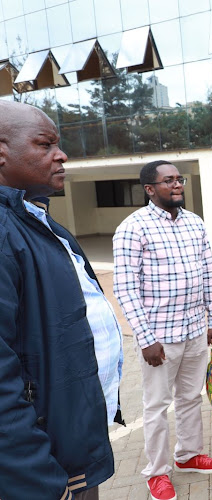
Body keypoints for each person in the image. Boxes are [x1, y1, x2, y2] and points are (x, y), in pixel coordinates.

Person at [0, 101, 122, 500]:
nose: (62, 154)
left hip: (72, 453)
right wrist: (43, 483)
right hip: (46, 474)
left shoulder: (36, 221)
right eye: (44, 144)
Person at [113, 160, 212, 500]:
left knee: (191, 397)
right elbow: (125, 288)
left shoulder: (194, 223)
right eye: (168, 181)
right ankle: (157, 473)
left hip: (194, 331)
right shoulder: (134, 228)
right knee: (157, 406)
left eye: (180, 179)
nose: (177, 185)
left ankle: (189, 455)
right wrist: (146, 339)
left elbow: (208, 274)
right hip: (159, 337)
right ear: (150, 189)